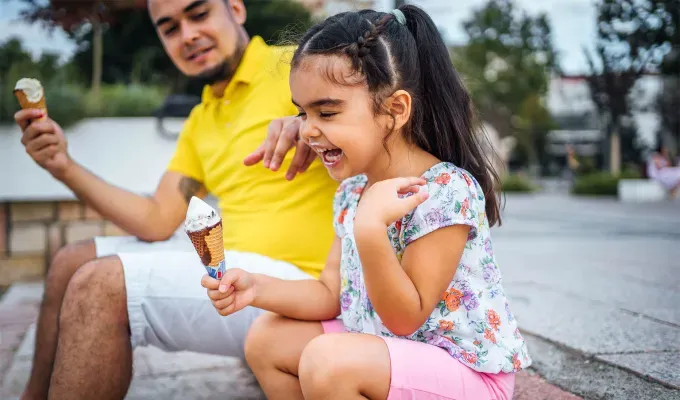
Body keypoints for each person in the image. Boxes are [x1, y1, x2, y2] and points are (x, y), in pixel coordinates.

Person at [12, 0, 337, 398]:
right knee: (72, 262)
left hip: (308, 288)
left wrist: (309, 121)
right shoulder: (202, 118)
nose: (188, 36)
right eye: (169, 28)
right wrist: (62, 166)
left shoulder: (299, 65)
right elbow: (157, 219)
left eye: (199, 15)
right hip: (233, 278)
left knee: (102, 284)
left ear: (235, 9)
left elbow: (390, 109)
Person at [203, 5, 531, 400]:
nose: (307, 130)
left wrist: (371, 230)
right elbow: (329, 292)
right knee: (267, 338)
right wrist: (256, 288)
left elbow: (406, 317)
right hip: (390, 353)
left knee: (329, 360)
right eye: (302, 112)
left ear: (395, 110)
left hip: (463, 375)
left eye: (326, 111)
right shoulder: (353, 191)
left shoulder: (443, 191)